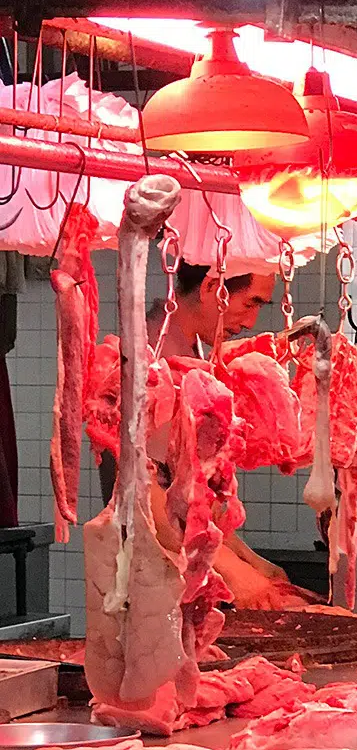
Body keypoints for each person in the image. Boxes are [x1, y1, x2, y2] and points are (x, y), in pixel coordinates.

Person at [100, 260, 309, 607]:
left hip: (183, 579)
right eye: (251, 303)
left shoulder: (190, 353)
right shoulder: (150, 366)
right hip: (151, 585)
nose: (251, 321)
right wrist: (238, 574)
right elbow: (145, 500)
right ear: (213, 287)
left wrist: (251, 562)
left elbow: (192, 500)